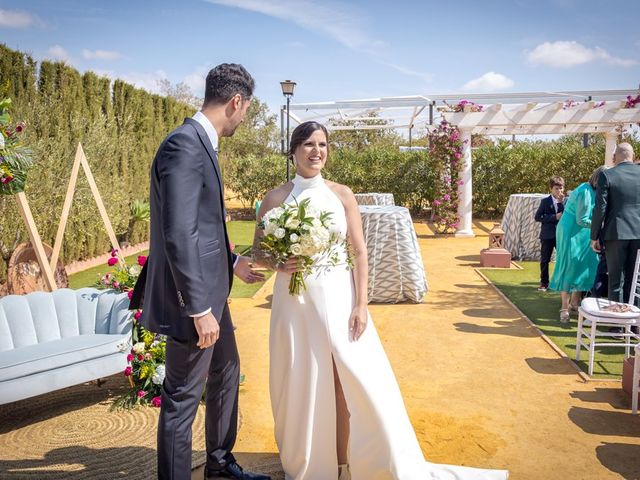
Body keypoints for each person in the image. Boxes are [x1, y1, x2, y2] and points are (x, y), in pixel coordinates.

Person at [252, 121, 508, 480]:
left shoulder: (341, 194)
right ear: (293, 151)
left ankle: (347, 462)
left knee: (351, 377)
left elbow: (358, 252)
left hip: (338, 296)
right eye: (308, 144)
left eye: (322, 144)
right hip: (295, 303)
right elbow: (260, 251)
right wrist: (280, 263)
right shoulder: (276, 198)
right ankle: (315, 463)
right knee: (304, 378)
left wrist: (361, 304)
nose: (316, 151)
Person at [130, 64, 268, 480]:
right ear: (236, 102)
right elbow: (177, 233)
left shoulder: (199, 143)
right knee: (181, 400)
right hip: (193, 302)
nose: (243, 119)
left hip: (211, 293)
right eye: (245, 110)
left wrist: (231, 263)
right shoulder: (185, 145)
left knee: (226, 370)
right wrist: (196, 307)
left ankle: (220, 464)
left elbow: (202, 227)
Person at [549, 167, 605, 323]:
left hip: (583, 232)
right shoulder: (585, 191)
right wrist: (601, 226)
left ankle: (574, 303)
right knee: (570, 265)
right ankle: (564, 308)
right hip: (571, 231)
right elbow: (582, 220)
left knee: (583, 265)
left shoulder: (591, 190)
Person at [591, 143, 640, 305]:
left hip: (616, 233)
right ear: (631, 156)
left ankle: (617, 326)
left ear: (617, 156)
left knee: (615, 281)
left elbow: (600, 208)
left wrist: (594, 236)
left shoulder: (608, 175)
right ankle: (634, 323)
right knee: (634, 281)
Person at [534, 177, 565, 291]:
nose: (559, 191)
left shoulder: (566, 201)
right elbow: (538, 217)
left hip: (561, 235)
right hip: (547, 235)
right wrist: (553, 217)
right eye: (556, 189)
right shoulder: (545, 201)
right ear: (551, 189)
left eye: (561, 188)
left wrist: (561, 203)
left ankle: (562, 282)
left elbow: (567, 215)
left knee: (563, 258)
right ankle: (544, 283)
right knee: (545, 259)